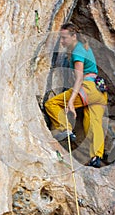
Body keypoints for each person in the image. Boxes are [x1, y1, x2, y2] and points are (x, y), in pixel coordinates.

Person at [45, 23, 108, 167]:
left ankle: (64, 128)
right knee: (93, 123)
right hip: (100, 91)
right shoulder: (84, 48)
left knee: (52, 104)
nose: (62, 42)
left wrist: (71, 101)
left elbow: (79, 78)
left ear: (74, 36)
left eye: (64, 38)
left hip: (88, 88)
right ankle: (96, 156)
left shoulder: (78, 51)